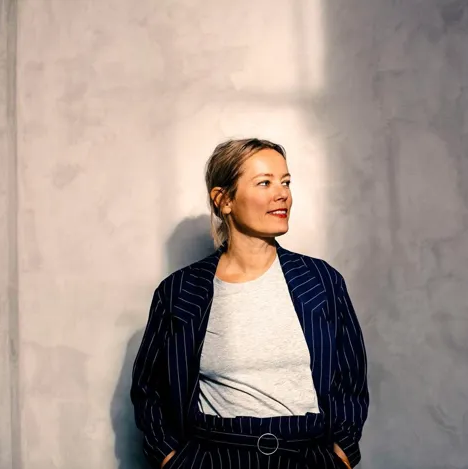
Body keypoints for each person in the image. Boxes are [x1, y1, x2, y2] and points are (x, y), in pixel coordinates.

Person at [131, 138, 369, 469]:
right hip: (215, 457)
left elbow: (351, 382)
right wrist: (172, 459)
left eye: (285, 182)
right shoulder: (180, 291)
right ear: (224, 199)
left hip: (305, 456)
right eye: (265, 182)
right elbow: (149, 390)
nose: (282, 193)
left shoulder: (321, 281)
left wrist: (340, 455)